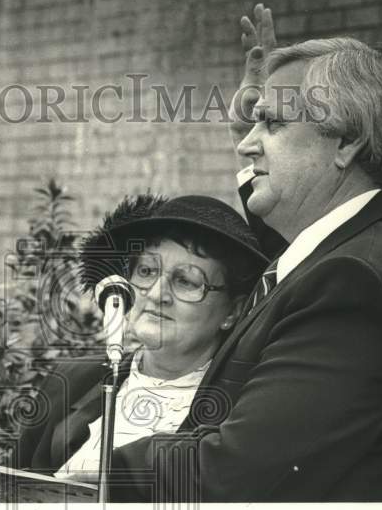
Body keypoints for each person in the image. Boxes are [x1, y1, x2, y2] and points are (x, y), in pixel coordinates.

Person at [106, 6, 382, 502]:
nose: (245, 146)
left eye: (271, 124)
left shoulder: (355, 282)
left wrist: (92, 472)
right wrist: (260, 134)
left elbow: (234, 471)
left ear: (346, 140)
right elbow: (297, 269)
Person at [16, 194, 270, 479]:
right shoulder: (71, 380)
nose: (156, 294)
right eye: (147, 271)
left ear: (232, 313)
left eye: (186, 281)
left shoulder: (240, 412)